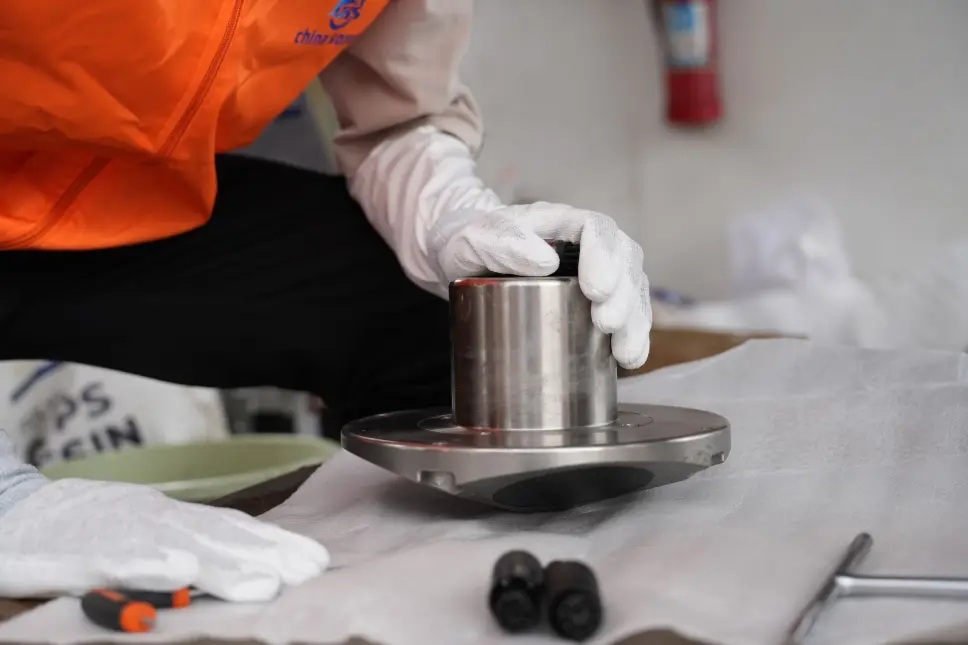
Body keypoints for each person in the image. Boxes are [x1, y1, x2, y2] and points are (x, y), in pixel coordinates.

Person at [0, 0, 652, 602]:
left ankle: (390, 564)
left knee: (435, 317)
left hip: (106, 200)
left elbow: (400, 115)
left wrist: (446, 212)